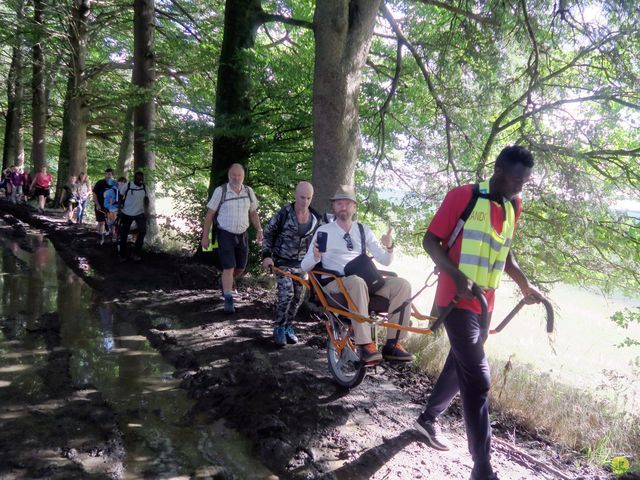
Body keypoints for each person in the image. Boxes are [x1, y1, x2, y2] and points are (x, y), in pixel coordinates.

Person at [415, 145, 544, 480]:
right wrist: (456, 276)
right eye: (517, 179)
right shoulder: (463, 197)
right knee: (478, 377)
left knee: (461, 365)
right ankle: (482, 467)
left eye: (525, 181)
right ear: (498, 170)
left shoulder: (515, 204)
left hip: (485, 305)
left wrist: (525, 285)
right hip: (454, 301)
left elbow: (506, 253)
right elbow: (430, 241)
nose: (520, 186)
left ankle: (428, 419)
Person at [300, 184, 414, 363]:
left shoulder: (363, 230)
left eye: (347, 203)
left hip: (364, 281)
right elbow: (305, 266)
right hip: (335, 283)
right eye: (339, 204)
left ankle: (393, 344)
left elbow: (384, 260)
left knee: (402, 285)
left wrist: (390, 247)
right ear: (334, 207)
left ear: (354, 207)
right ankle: (365, 344)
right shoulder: (324, 231)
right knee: (356, 281)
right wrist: (315, 256)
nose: (343, 207)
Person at [262, 181, 322, 347]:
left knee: (297, 297)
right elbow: (268, 235)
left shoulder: (316, 219)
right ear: (295, 195)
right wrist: (266, 255)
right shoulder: (283, 214)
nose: (305, 201)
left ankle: (288, 326)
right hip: (282, 262)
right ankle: (279, 327)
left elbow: (322, 242)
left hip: (302, 265)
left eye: (308, 198)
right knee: (286, 294)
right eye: (302, 197)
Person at [200, 163, 262, 314]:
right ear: (229, 176)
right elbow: (209, 215)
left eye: (239, 175)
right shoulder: (220, 191)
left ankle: (225, 281)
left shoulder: (248, 191)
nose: (236, 178)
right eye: (233, 175)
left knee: (240, 266)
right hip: (225, 234)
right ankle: (228, 298)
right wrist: (205, 237)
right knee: (228, 267)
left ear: (243, 176)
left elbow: (253, 213)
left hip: (243, 234)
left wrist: (259, 229)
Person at [118, 171, 149, 261]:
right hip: (127, 213)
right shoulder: (127, 185)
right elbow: (120, 196)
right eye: (139, 178)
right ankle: (122, 254)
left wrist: (146, 210)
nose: (140, 180)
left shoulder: (144, 187)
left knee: (143, 231)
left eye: (141, 179)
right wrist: (120, 209)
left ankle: (135, 252)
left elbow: (146, 198)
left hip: (140, 213)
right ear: (135, 178)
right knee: (124, 234)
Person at [92, 168, 114, 244]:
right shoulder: (100, 183)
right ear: (105, 174)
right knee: (101, 222)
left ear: (112, 175)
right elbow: (94, 194)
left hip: (110, 208)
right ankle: (100, 238)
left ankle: (110, 238)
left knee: (111, 223)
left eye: (110, 174)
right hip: (100, 206)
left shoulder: (114, 184)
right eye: (107, 174)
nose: (108, 176)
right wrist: (97, 204)